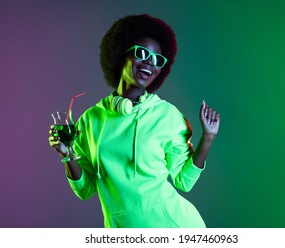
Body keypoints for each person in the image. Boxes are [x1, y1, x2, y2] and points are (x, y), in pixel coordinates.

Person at [48, 14, 220, 228]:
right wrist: (67, 155)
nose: (150, 62)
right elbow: (84, 189)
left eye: (158, 60)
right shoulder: (90, 120)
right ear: (121, 54)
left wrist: (208, 138)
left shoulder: (168, 116)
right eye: (142, 53)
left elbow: (184, 181)